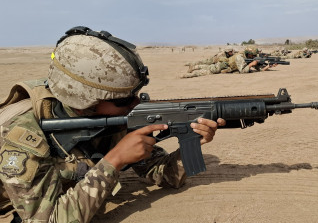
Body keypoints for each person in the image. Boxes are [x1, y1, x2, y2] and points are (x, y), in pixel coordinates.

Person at [0, 26, 226, 223]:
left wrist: (192, 141)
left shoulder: (108, 119)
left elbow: (163, 174)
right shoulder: (22, 134)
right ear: (84, 100)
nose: (136, 104)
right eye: (124, 100)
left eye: (136, 95)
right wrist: (115, 160)